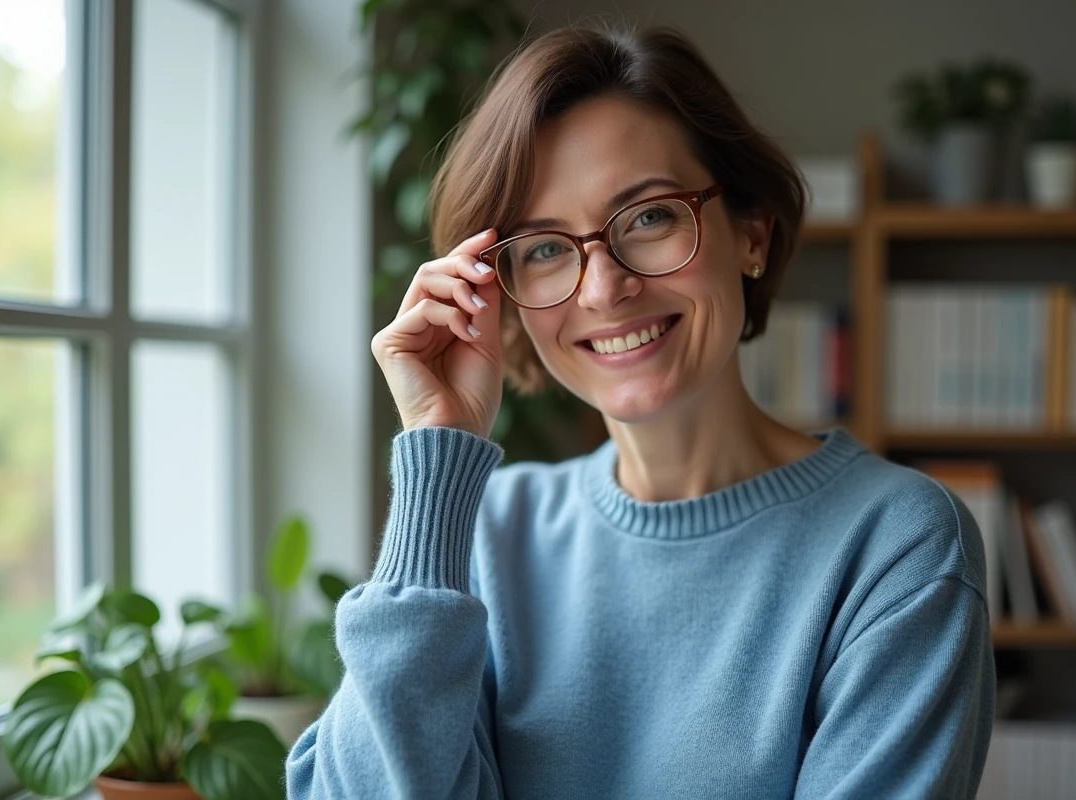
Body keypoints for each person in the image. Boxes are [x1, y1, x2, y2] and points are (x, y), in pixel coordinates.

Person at [286, 21, 995, 800]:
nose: (603, 289)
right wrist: (436, 453)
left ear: (751, 234)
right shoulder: (488, 534)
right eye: (546, 247)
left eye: (651, 216)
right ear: (499, 297)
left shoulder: (897, 546)